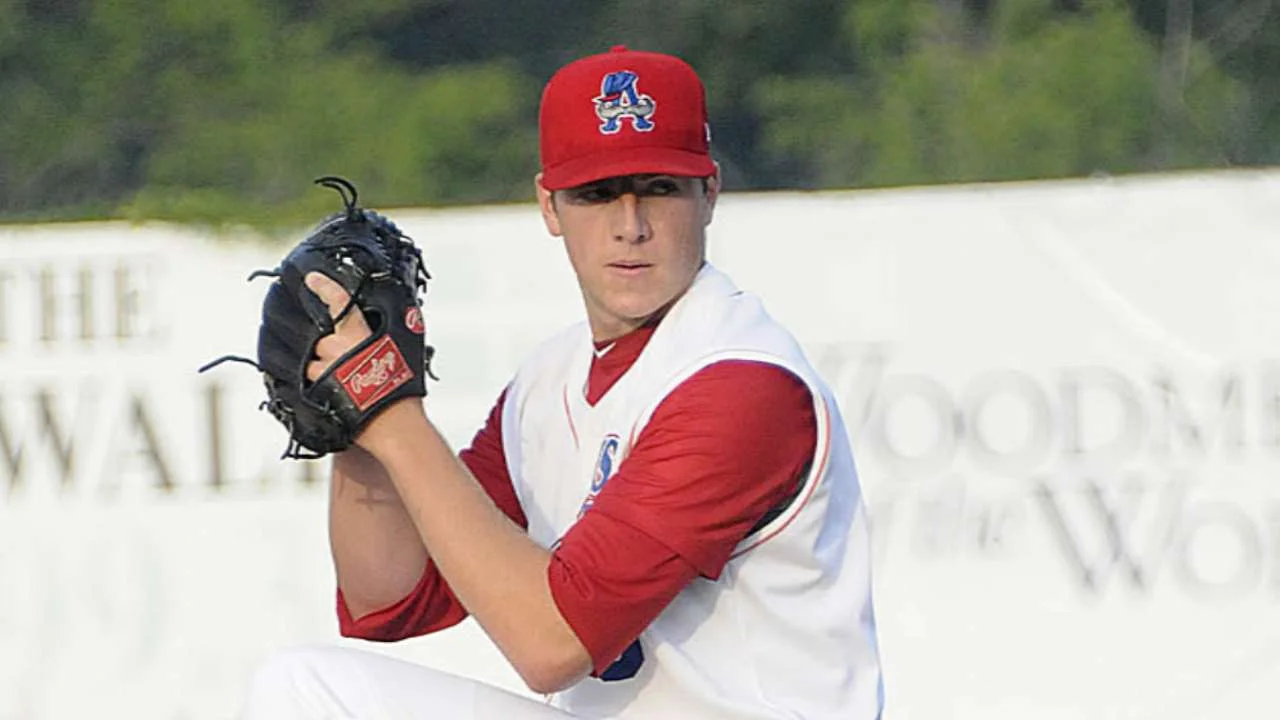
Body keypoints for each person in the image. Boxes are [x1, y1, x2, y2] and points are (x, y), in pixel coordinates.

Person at [241, 45, 884, 719]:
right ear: (549, 206)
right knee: (302, 688)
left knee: (302, 689)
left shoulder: (742, 385)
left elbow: (552, 645)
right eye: (597, 194)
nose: (631, 226)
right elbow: (392, 596)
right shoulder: (550, 379)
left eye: (659, 188)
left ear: (710, 194)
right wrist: (349, 416)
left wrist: (391, 412)